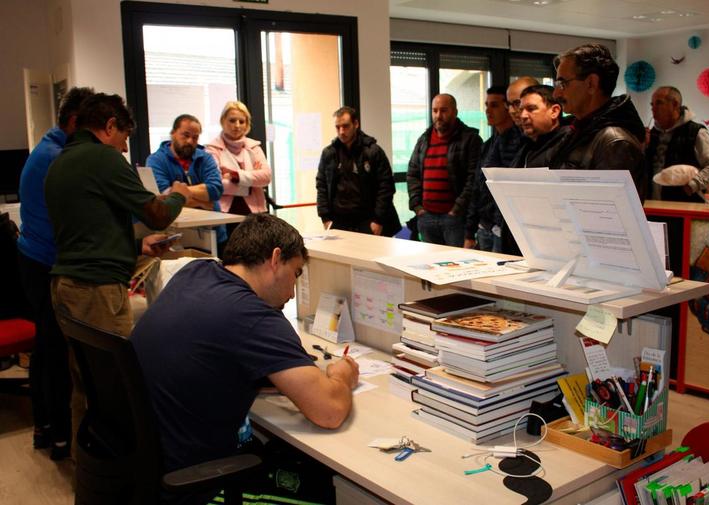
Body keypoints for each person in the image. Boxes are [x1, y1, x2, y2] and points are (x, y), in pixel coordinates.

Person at [131, 213, 359, 503]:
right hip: (196, 482)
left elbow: (210, 357)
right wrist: (341, 375)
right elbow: (329, 411)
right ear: (275, 259)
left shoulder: (194, 273)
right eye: (296, 273)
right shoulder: (253, 315)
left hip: (145, 461)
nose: (292, 291)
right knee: (323, 489)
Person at [45, 93, 191, 336]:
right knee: (114, 371)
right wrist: (179, 195)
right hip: (97, 289)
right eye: (125, 139)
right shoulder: (103, 157)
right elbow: (159, 216)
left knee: (85, 368)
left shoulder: (61, 161)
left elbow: (87, 232)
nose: (124, 148)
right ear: (110, 126)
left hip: (67, 284)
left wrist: (136, 246)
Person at [16, 86, 94, 460]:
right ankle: (61, 437)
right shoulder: (57, 158)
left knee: (46, 351)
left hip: (34, 258)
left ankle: (46, 430)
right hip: (46, 264)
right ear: (75, 122)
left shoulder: (46, 148)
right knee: (57, 354)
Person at [550, 44, 647, 199]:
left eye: (563, 84)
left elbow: (608, 214)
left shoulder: (614, 141)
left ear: (591, 84)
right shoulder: (580, 130)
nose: (556, 94)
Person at [407, 93, 482, 246]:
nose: (438, 115)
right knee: (429, 266)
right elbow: (412, 173)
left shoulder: (470, 139)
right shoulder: (424, 140)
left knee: (457, 266)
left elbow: (473, 178)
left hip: (454, 219)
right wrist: (417, 207)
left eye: (444, 110)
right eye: (435, 111)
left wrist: (456, 209)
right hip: (426, 217)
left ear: (455, 112)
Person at [316, 106, 401, 236]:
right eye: (338, 127)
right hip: (339, 221)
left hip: (368, 220)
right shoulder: (329, 153)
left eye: (345, 126)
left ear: (356, 124)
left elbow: (386, 187)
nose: (341, 131)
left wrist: (378, 220)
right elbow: (321, 185)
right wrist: (325, 218)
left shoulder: (373, 151)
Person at [146, 113, 227, 245]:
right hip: (178, 235)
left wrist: (179, 193)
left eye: (195, 137)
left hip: (214, 232)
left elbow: (215, 189)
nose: (190, 141)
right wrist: (202, 203)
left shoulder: (205, 158)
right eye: (186, 135)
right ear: (173, 133)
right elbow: (164, 197)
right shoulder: (156, 160)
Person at [463, 85, 517, 251]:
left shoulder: (520, 142)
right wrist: (469, 232)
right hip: (484, 226)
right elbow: (477, 188)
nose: (488, 110)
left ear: (508, 107)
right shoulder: (487, 145)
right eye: (486, 105)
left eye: (494, 105)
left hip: (505, 229)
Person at [646, 86, 709, 202]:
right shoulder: (650, 135)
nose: (653, 109)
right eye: (652, 105)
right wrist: (642, 147)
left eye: (659, 103)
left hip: (683, 208)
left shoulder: (696, 132)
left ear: (675, 105)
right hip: (653, 209)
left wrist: (693, 184)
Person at [205, 101, 271, 230]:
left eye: (242, 121)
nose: (237, 125)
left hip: (254, 215)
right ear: (223, 121)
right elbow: (216, 184)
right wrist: (250, 185)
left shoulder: (254, 147)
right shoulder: (212, 149)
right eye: (232, 120)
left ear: (247, 124)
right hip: (224, 215)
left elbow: (266, 177)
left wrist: (235, 176)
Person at [514, 84, 569, 168]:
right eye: (521, 110)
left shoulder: (568, 144)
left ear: (554, 111)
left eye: (531, 109)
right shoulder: (527, 145)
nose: (523, 116)